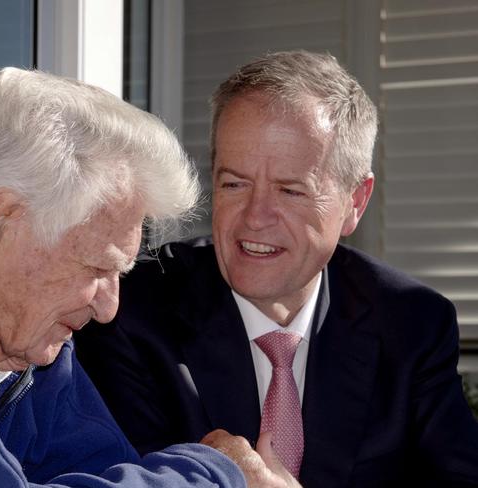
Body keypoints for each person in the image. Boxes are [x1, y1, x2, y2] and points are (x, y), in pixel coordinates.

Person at [0, 68, 300, 488]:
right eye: (97, 269)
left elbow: (99, 464)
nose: (108, 307)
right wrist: (217, 475)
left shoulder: (19, 334)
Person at [75, 51, 478, 488]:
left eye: (290, 191)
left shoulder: (411, 324)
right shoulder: (129, 312)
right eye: (234, 183)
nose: (254, 217)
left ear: (355, 203)